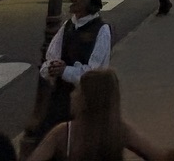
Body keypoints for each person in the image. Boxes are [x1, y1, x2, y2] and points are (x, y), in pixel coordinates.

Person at [34, 0, 112, 138]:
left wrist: (64, 71)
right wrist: (52, 68)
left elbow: (93, 74)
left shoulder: (101, 30)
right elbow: (51, 56)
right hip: (60, 102)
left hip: (85, 106)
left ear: (88, 1)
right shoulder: (68, 25)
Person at [27, 69, 158, 161]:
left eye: (78, 90)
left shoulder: (64, 133)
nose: (72, 94)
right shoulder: (118, 130)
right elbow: (158, 156)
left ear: (86, 100)